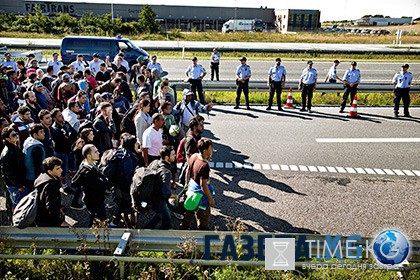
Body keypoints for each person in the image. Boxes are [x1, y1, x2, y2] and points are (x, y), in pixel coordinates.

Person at [100, 134, 140, 227]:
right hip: (125, 186)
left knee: (124, 204)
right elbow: (128, 176)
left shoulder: (121, 152)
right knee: (127, 204)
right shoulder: (128, 158)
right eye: (136, 143)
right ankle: (118, 222)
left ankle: (121, 221)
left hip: (118, 184)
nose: (138, 144)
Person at [72, 144, 112, 226]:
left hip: (95, 198)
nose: (98, 153)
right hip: (94, 200)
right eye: (96, 152)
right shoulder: (87, 171)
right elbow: (102, 185)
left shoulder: (91, 164)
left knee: (94, 217)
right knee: (99, 219)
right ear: (89, 156)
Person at [180, 138, 214, 230]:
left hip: (191, 189)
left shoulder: (194, 156)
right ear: (205, 150)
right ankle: (202, 231)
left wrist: (187, 185)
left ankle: (183, 228)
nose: (212, 149)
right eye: (211, 148)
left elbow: (188, 170)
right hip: (201, 195)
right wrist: (210, 199)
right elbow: (203, 185)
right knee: (204, 216)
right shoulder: (204, 165)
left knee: (189, 211)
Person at [143, 145, 176, 230]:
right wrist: (173, 196)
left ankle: (147, 229)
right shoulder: (166, 172)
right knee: (167, 221)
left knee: (160, 214)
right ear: (166, 157)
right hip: (158, 201)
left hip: (149, 195)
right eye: (173, 155)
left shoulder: (155, 162)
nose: (175, 156)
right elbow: (166, 192)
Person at [34, 157, 70, 227]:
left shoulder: (42, 177)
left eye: (60, 167)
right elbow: (51, 206)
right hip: (47, 220)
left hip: (39, 216)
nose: (61, 170)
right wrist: (60, 222)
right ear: (49, 171)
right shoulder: (52, 184)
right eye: (57, 169)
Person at [0, 127, 26, 214]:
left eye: (16, 134)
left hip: (19, 182)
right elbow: (9, 174)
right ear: (7, 139)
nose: (17, 136)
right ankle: (16, 221)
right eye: (14, 135)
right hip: (14, 185)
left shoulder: (14, 147)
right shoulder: (7, 153)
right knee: (17, 204)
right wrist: (19, 186)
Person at [51, 108, 78, 186]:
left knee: (72, 166)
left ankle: (74, 180)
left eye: (61, 115)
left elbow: (74, 133)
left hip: (70, 149)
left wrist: (69, 136)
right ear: (55, 118)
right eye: (59, 116)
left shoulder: (66, 123)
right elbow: (62, 140)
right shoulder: (55, 129)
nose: (62, 117)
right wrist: (68, 137)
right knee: (62, 169)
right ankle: (64, 184)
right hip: (61, 152)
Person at [23, 124, 46, 189]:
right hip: (34, 177)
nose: (44, 133)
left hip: (28, 175)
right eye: (41, 132)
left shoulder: (28, 142)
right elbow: (37, 166)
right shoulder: (37, 148)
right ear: (35, 135)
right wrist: (40, 180)